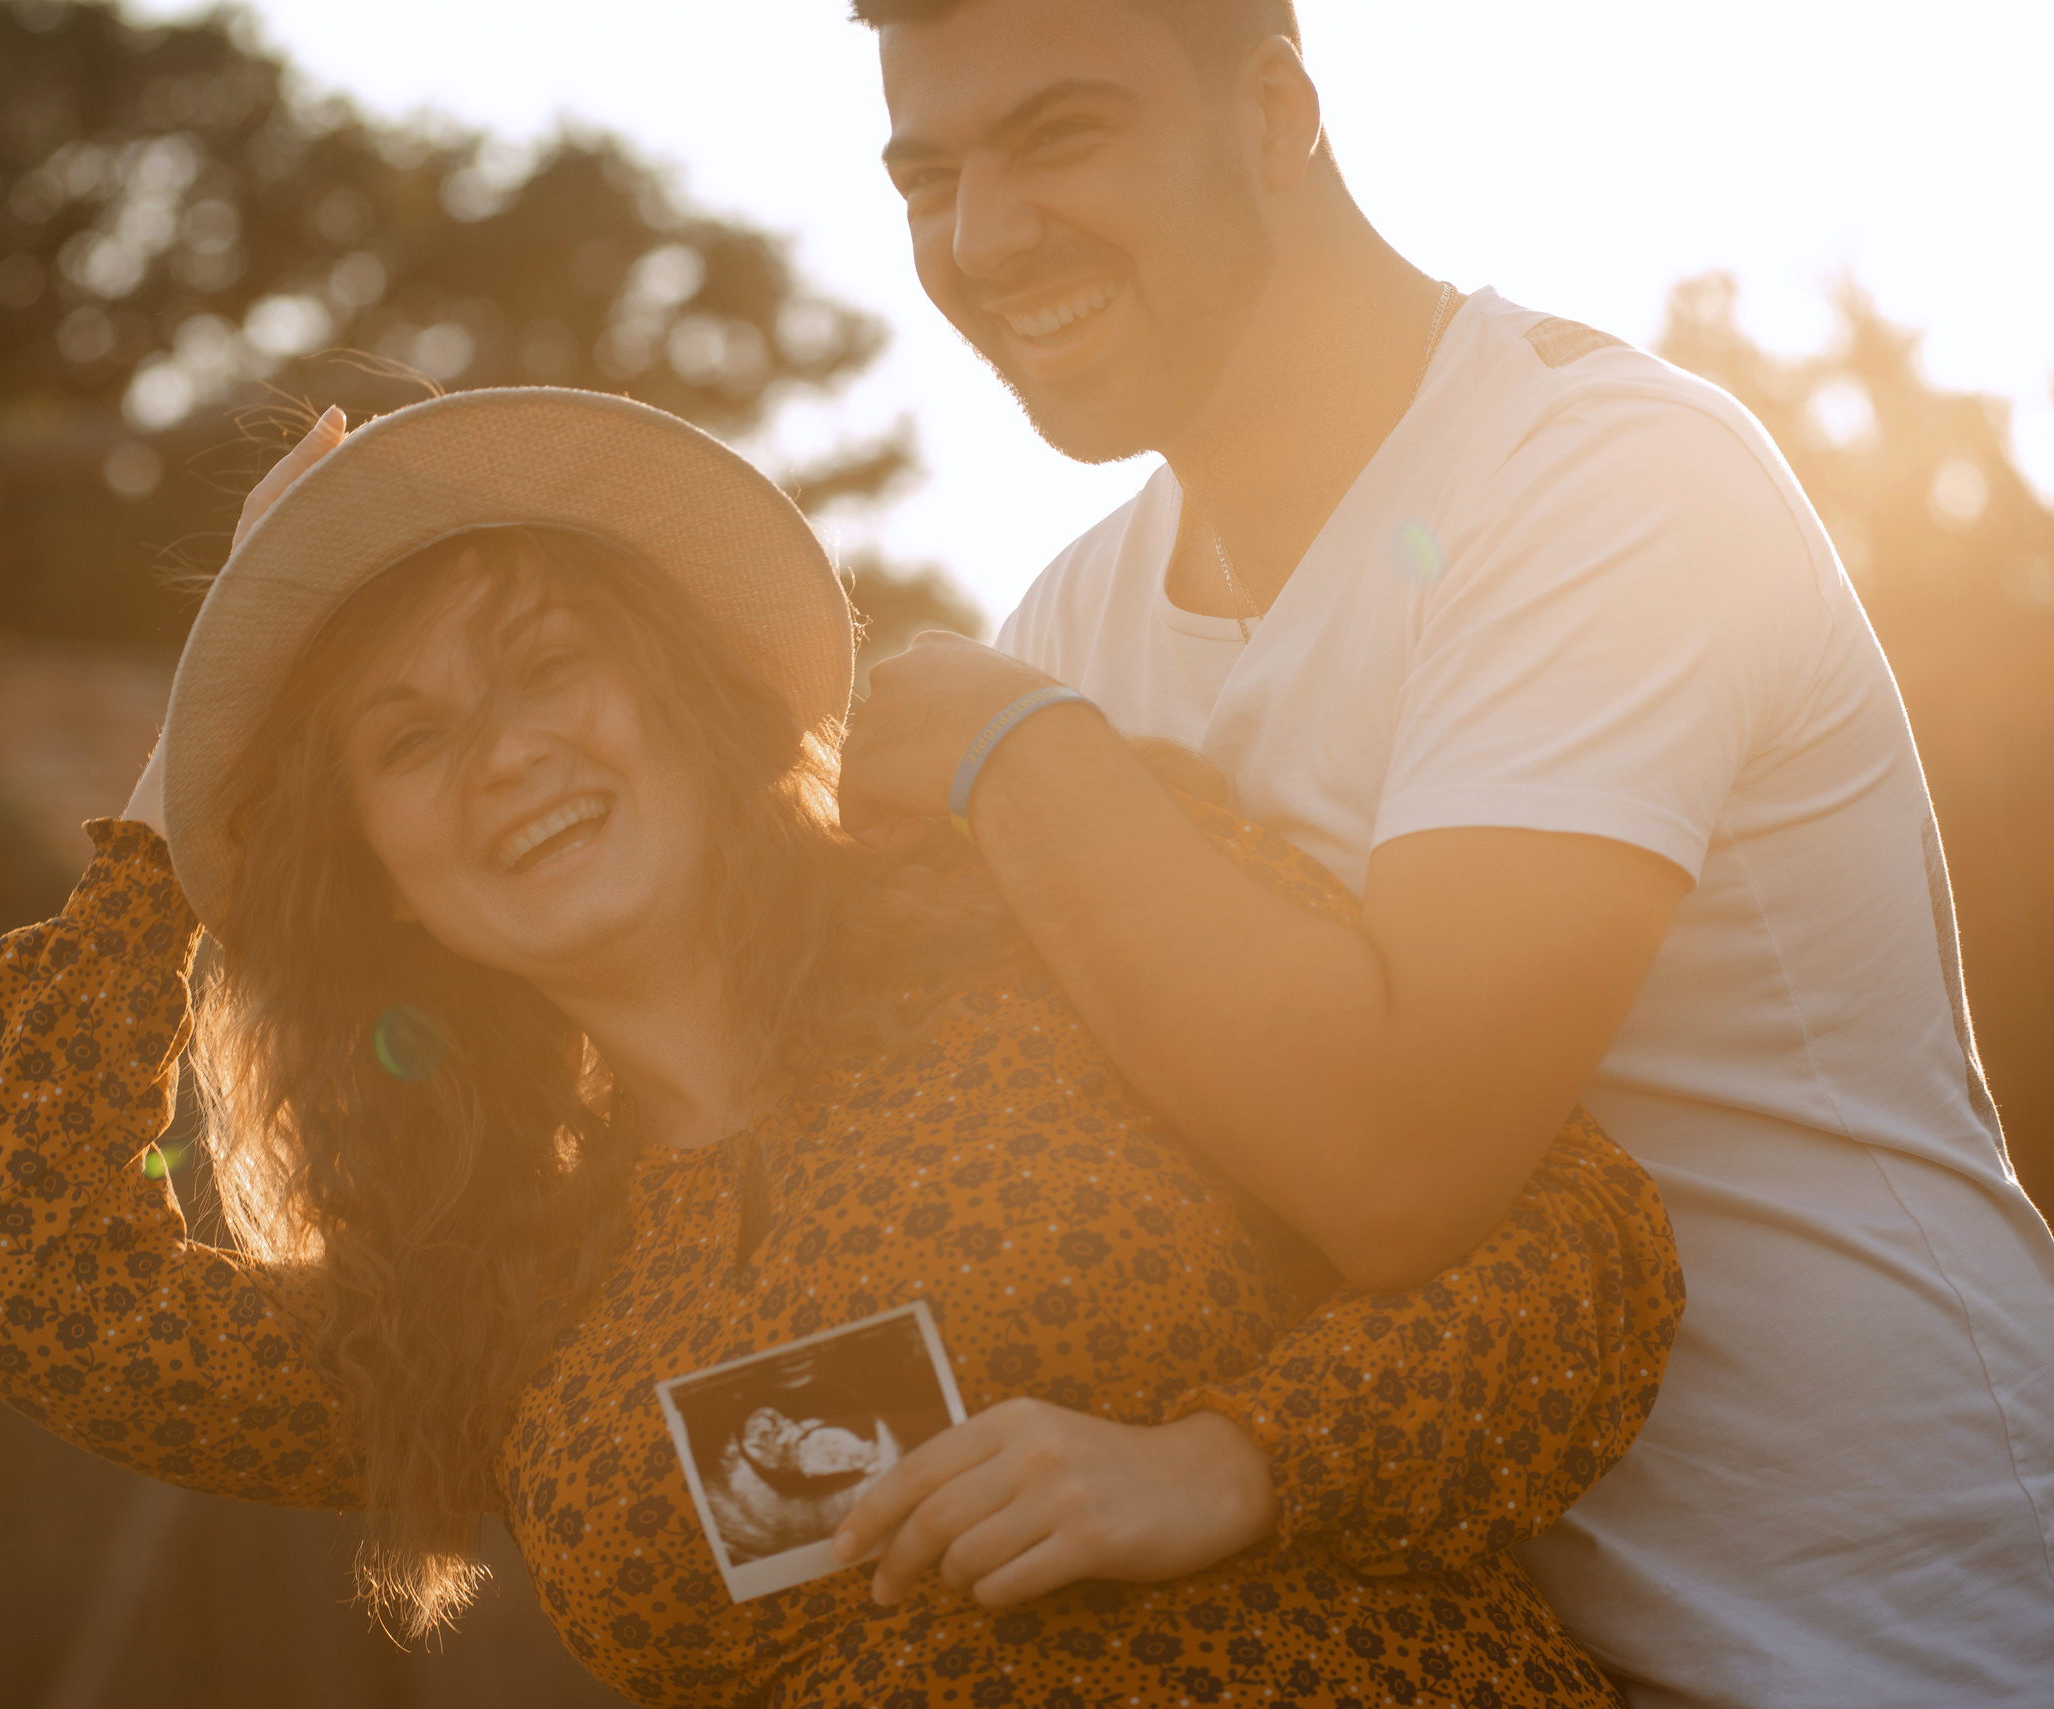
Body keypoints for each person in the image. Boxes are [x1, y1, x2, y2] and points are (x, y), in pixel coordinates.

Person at [0, 388, 1680, 1707]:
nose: (506, 753)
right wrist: (179, 813)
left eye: (548, 665)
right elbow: (19, 1275)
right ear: (393, 890)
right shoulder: (489, 1298)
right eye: (412, 741)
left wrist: (1230, 1459)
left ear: (684, 694)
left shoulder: (1032, 915)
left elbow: (1573, 1238)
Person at [835, 2, 2054, 1703]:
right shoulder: (1068, 628)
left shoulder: (1609, 478)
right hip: (1464, 1647)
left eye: (1059, 136)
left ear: (1276, 113)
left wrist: (1013, 746)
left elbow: (1400, 1160)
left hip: (1897, 1635)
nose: (982, 238)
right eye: (929, 177)